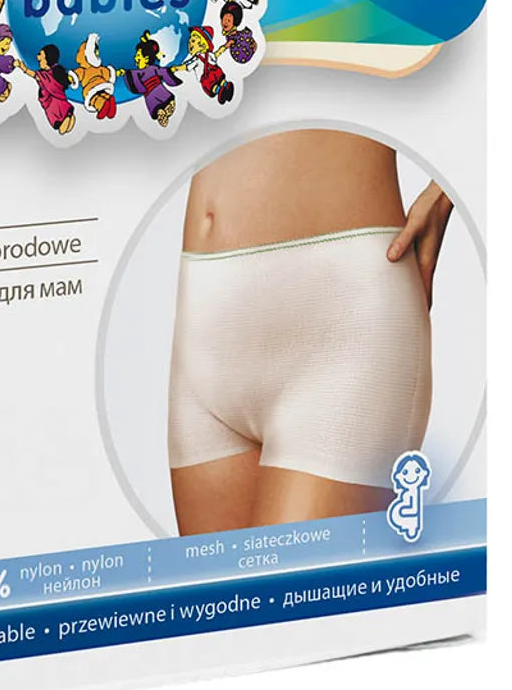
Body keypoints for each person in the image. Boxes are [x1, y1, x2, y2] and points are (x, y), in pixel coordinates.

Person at [168, 129, 453, 533]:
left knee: (294, 576)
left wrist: (443, 194)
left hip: (339, 322)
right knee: (220, 579)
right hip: (204, 321)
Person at [17, 43, 76, 135]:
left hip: (54, 102)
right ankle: (67, 118)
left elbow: (35, 75)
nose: (38, 57)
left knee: (58, 121)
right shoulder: (48, 73)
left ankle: (65, 119)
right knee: (61, 120)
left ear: (47, 58)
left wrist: (23, 68)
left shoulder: (47, 75)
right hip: (53, 101)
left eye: (40, 54)